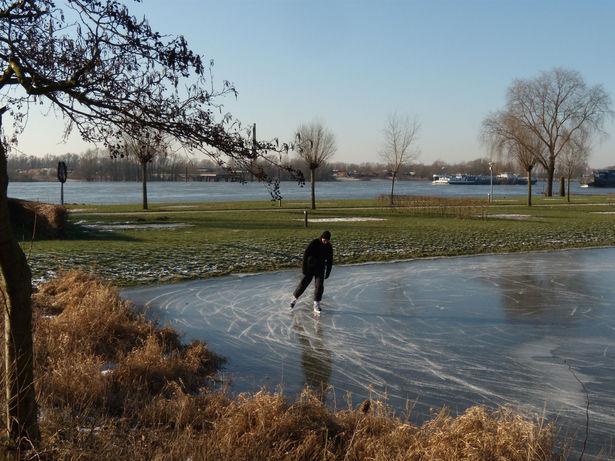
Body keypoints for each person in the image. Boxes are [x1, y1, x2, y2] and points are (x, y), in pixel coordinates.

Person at [290, 230, 333, 314]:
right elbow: (305, 255)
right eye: (324, 240)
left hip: (320, 268)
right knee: (303, 283)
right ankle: (294, 298)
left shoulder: (329, 247)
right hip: (310, 267)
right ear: (322, 238)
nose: (325, 242)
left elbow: (330, 260)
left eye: (327, 240)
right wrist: (304, 268)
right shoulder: (314, 243)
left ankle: (316, 303)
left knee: (319, 286)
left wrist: (328, 272)